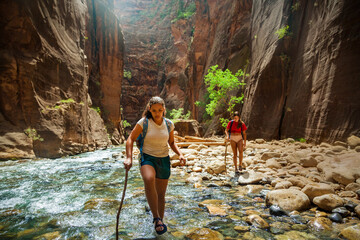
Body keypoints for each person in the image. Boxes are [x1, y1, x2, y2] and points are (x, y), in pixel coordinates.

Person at [124, 96, 186, 235]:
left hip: (163, 159)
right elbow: (130, 139)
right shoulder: (144, 122)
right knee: (148, 178)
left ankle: (160, 221)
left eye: (159, 110)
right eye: (154, 110)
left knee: (161, 194)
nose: (157, 113)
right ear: (149, 110)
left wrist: (180, 154)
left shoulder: (169, 124)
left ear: (164, 109)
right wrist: (129, 158)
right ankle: (156, 218)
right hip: (147, 157)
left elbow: (171, 142)